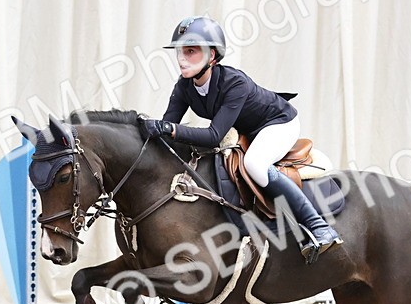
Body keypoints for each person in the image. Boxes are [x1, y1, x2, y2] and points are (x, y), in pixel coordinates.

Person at [139, 16, 342, 264]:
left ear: (212, 56)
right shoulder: (184, 87)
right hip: (247, 130)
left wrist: (169, 128)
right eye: (180, 52)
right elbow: (168, 130)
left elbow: (213, 136)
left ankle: (319, 226)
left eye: (190, 51)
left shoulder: (234, 82)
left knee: (255, 164)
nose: (182, 58)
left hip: (278, 123)